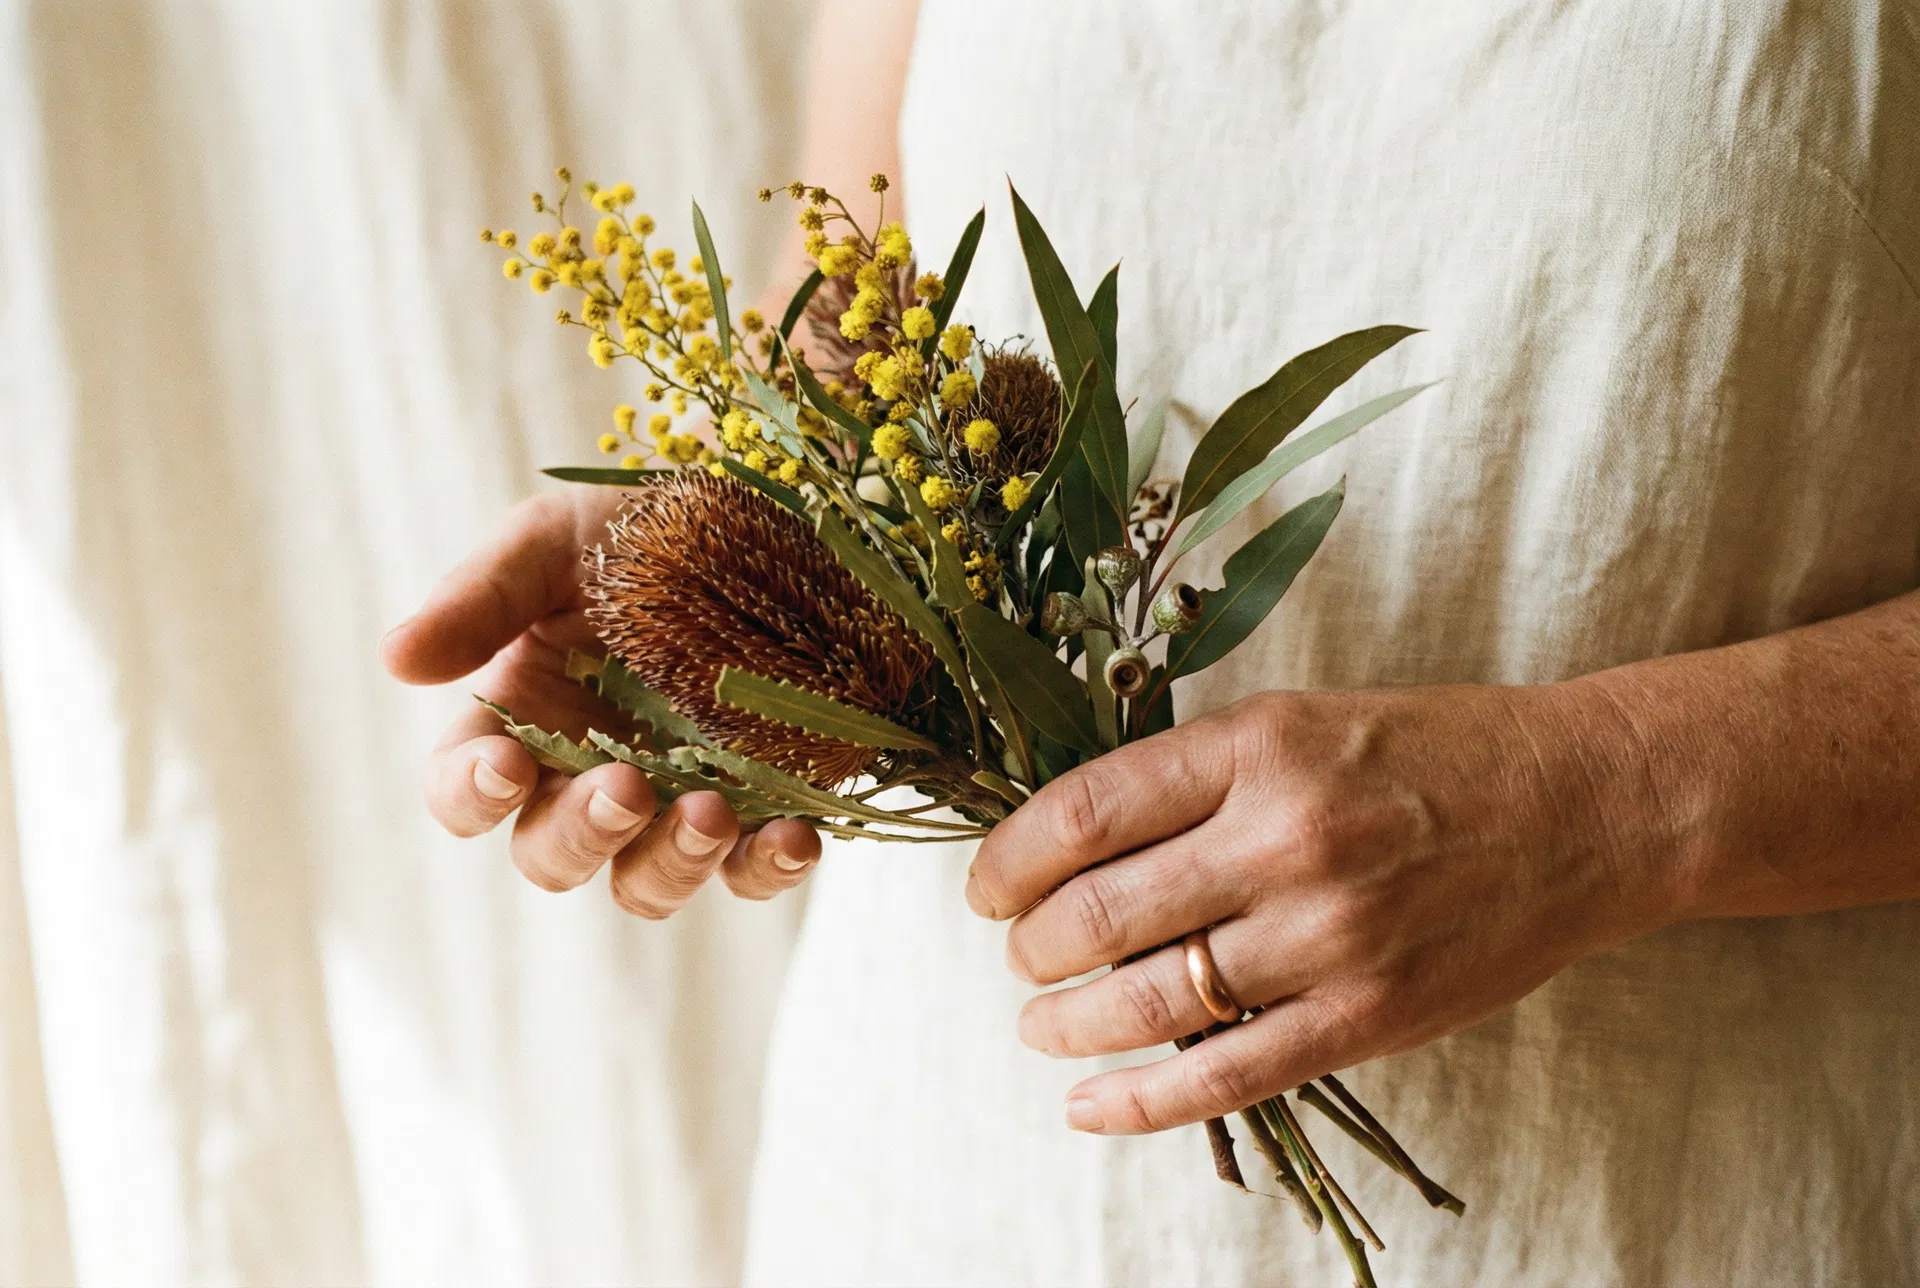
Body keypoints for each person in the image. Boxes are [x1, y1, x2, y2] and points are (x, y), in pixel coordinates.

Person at [382, 2, 1920, 1282]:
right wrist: (749, 562)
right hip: (959, 1187)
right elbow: (860, 268)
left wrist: (1603, 792)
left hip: (1686, 1200)